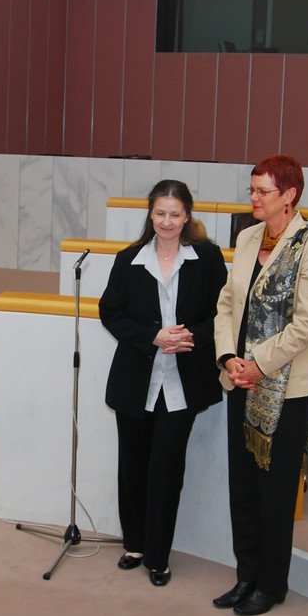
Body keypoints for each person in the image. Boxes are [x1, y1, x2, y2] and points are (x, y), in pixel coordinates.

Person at [212, 154, 308, 616]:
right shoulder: (247, 237)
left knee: (275, 492)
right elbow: (227, 305)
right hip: (240, 378)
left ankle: (272, 584)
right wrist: (229, 358)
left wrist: (258, 365)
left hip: (286, 389)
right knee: (243, 487)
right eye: (251, 189)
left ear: (289, 195)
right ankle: (247, 575)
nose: (253, 198)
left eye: (262, 191)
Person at [99, 179, 227, 587]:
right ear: (150, 215)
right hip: (136, 380)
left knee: (166, 469)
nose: (167, 222)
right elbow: (110, 312)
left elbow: (223, 312)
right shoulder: (129, 259)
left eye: (174, 214)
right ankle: (135, 544)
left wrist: (191, 337)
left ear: (187, 216)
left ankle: (158, 556)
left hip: (183, 383)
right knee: (132, 467)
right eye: (160, 214)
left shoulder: (207, 258)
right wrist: (151, 336)